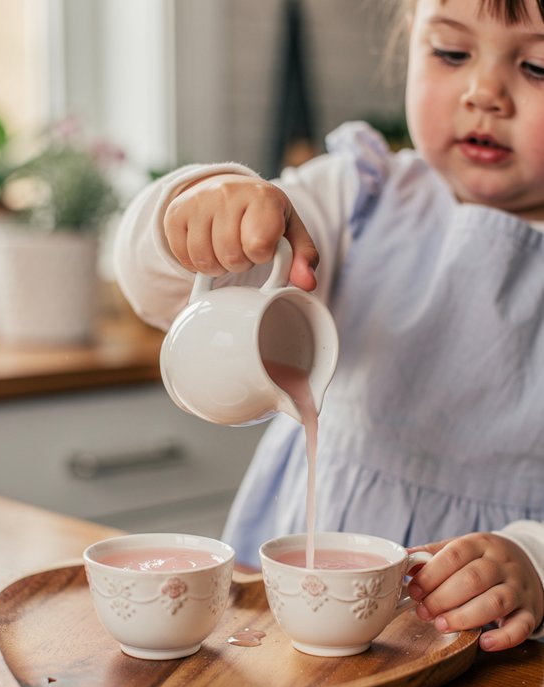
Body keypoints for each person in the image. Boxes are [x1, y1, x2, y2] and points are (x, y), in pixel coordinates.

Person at [114, 0, 544, 652]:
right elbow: (159, 292)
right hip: (292, 627)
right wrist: (196, 216)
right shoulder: (357, 198)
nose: (483, 92)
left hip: (482, 665)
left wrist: (533, 561)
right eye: (450, 54)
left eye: (537, 66)